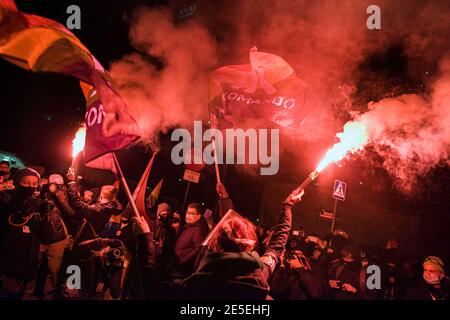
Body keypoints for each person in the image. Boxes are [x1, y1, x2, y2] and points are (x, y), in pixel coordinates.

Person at [179, 188, 305, 300]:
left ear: (215, 244)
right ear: (249, 245)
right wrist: (287, 206)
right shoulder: (260, 273)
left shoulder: (191, 286)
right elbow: (276, 246)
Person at [0, 168, 42, 299]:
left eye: (34, 184)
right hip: (8, 266)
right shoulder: (5, 200)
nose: (31, 187)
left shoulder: (36, 203)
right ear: (17, 183)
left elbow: (43, 235)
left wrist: (45, 218)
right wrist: (20, 211)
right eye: (26, 183)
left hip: (26, 265)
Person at [26, 174, 69, 300]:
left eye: (59, 185)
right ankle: (28, 293)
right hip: (39, 237)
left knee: (52, 270)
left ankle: (47, 295)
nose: (56, 187)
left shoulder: (64, 197)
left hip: (57, 238)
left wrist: (61, 197)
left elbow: (71, 213)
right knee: (33, 266)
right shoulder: (39, 194)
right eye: (53, 184)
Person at [173, 202, 209, 278]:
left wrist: (184, 260)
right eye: (187, 212)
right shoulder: (189, 227)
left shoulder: (198, 230)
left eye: (191, 213)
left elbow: (198, 249)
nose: (188, 216)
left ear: (199, 216)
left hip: (183, 270)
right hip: (178, 267)